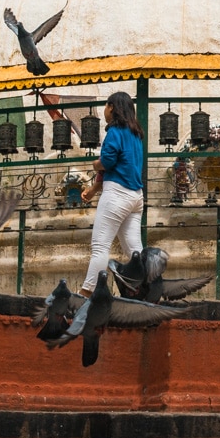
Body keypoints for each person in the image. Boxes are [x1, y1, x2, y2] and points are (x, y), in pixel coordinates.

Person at [79, 92, 144, 293]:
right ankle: (148, 288)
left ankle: (87, 292)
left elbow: (107, 162)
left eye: (106, 107)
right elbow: (117, 165)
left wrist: (95, 163)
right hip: (135, 198)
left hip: (116, 196)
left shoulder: (115, 131)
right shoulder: (136, 134)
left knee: (100, 247)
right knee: (135, 251)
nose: (105, 112)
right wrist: (93, 189)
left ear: (112, 107)